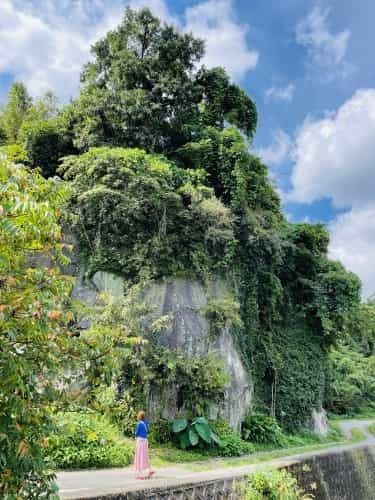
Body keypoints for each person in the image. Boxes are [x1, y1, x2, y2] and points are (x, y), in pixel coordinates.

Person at [134, 410, 155, 479]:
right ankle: (150, 469)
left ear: (139, 416)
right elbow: (147, 431)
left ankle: (139, 474)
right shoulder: (145, 423)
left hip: (140, 441)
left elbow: (136, 433)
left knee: (139, 457)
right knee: (145, 456)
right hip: (145, 441)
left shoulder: (139, 424)